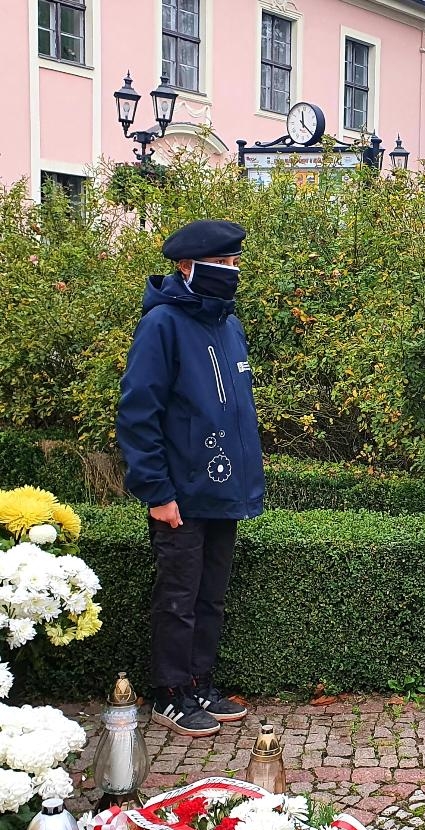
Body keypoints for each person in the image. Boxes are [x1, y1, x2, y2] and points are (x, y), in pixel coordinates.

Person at [116, 219, 264, 737]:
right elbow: (138, 413)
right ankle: (170, 693)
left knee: (210, 595)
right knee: (178, 597)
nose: (232, 271)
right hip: (178, 493)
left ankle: (199, 682)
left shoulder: (228, 323)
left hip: (222, 492)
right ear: (186, 267)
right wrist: (156, 491)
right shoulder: (162, 325)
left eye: (234, 263)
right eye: (221, 264)